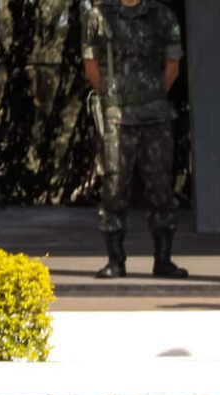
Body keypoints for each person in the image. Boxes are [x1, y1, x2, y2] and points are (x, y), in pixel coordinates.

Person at [82, 0, 186, 280]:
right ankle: (116, 261)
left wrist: (147, 98)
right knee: (115, 185)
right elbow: (92, 67)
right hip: (117, 116)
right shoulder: (98, 17)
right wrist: (117, 99)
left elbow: (172, 68)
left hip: (156, 116)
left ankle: (163, 260)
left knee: (161, 186)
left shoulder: (163, 16)